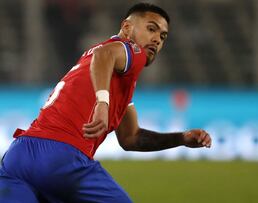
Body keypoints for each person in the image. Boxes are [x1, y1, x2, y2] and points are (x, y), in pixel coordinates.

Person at [0, 3, 212, 203]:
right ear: (127, 28)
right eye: (151, 29)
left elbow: (131, 138)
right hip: (61, 157)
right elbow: (105, 55)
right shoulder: (129, 50)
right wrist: (103, 103)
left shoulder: (111, 75)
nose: (157, 39)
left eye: (162, 36)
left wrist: (181, 138)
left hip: (19, 158)